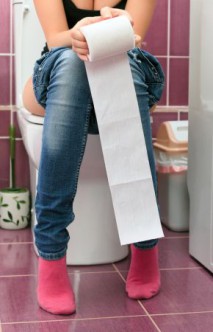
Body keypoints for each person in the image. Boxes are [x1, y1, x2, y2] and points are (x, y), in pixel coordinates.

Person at [23, 0, 164, 315]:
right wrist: (77, 35)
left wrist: (120, 30)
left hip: (121, 68)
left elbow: (134, 39)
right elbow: (55, 36)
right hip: (61, 77)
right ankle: (51, 256)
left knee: (124, 64)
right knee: (73, 63)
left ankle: (144, 247)